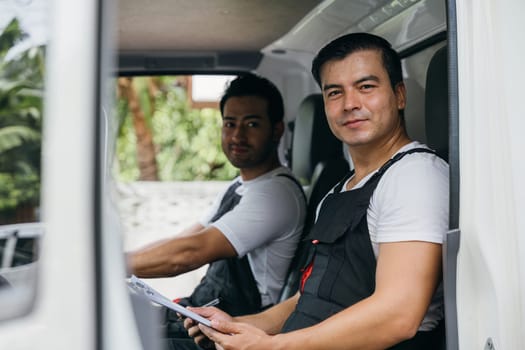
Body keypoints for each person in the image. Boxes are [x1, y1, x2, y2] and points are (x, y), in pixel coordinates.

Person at [186, 32, 449, 350]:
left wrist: (273, 346)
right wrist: (237, 325)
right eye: (335, 92)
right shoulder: (338, 192)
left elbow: (398, 315)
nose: (350, 104)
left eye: (366, 87)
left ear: (400, 95)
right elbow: (305, 300)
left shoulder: (414, 175)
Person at [127, 73, 307, 347]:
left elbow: (188, 254)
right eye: (230, 123)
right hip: (201, 315)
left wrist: (108, 266)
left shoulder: (275, 194)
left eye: (252, 124)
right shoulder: (240, 185)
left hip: (231, 331)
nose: (238, 135)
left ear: (277, 130)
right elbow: (182, 241)